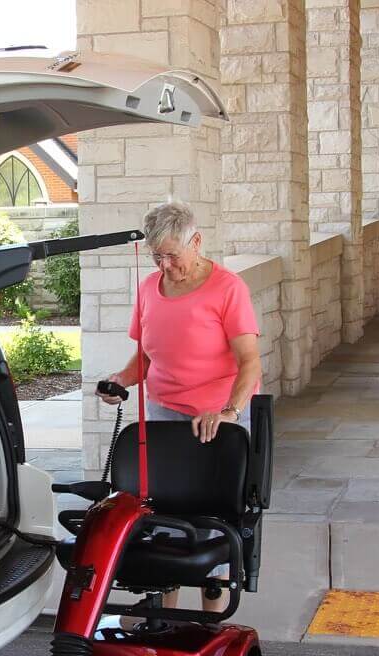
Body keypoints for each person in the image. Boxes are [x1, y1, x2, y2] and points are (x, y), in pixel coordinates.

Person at [97, 201, 262, 613]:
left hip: (215, 419)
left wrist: (229, 411)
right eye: (157, 256)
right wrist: (121, 380)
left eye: (173, 254)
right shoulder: (149, 289)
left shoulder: (227, 288)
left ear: (197, 241)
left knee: (211, 521)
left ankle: (211, 623)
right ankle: (162, 615)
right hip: (164, 417)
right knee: (164, 516)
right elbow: (146, 357)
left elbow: (250, 361)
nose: (166, 265)